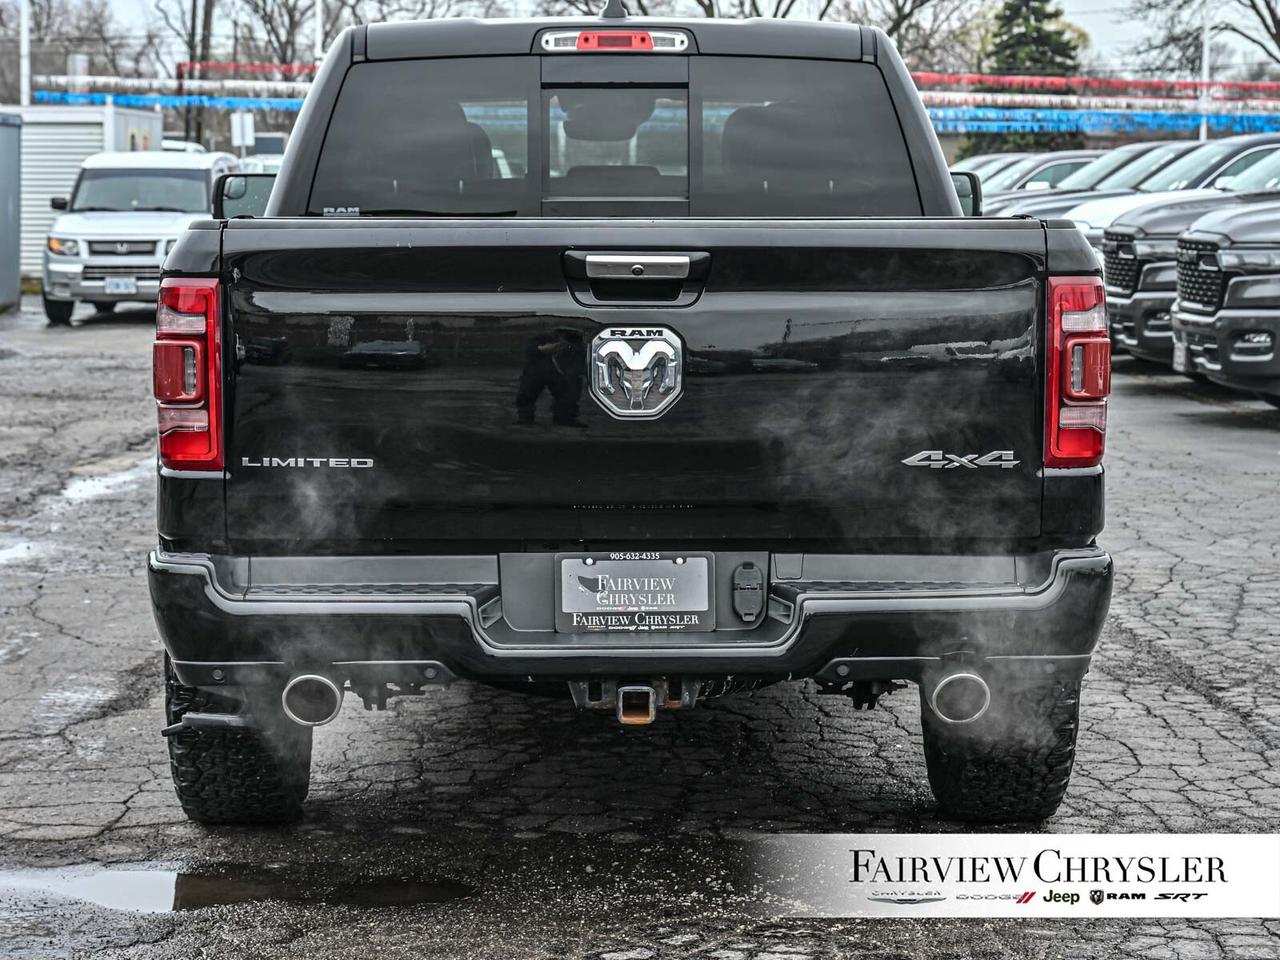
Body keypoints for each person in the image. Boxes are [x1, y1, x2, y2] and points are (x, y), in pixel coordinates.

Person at [515, 328, 587, 427]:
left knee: (568, 391)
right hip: (539, 360)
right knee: (528, 390)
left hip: (564, 359)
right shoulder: (540, 338)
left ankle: (565, 417)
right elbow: (538, 349)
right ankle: (525, 416)